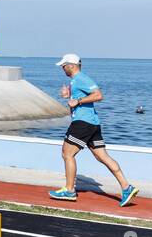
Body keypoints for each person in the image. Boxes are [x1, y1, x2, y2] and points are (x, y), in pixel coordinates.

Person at [50, 53, 138, 207]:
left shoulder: (81, 79)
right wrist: (68, 96)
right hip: (92, 123)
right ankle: (126, 187)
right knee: (102, 157)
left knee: (67, 153)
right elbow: (76, 102)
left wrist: (77, 100)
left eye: (64, 66)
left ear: (71, 65)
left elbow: (98, 95)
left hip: (83, 123)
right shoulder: (75, 81)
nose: (62, 68)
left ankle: (69, 190)